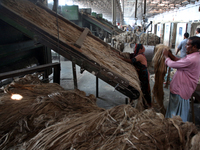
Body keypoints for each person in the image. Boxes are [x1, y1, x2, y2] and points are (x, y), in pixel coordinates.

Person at [163, 36, 200, 122]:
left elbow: (172, 64)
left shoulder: (192, 59)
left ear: (194, 47)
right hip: (182, 89)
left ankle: (177, 129)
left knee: (177, 115)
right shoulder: (194, 56)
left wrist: (166, 56)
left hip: (181, 91)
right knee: (176, 111)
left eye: (188, 45)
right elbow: (180, 61)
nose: (185, 47)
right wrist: (171, 55)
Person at [118, 44, 152, 108]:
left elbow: (131, 61)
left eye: (135, 48)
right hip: (141, 73)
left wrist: (121, 59)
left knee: (144, 89)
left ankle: (146, 105)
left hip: (143, 74)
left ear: (139, 49)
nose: (134, 49)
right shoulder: (137, 54)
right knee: (142, 88)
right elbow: (130, 55)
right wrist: (120, 53)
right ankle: (144, 104)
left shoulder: (140, 56)